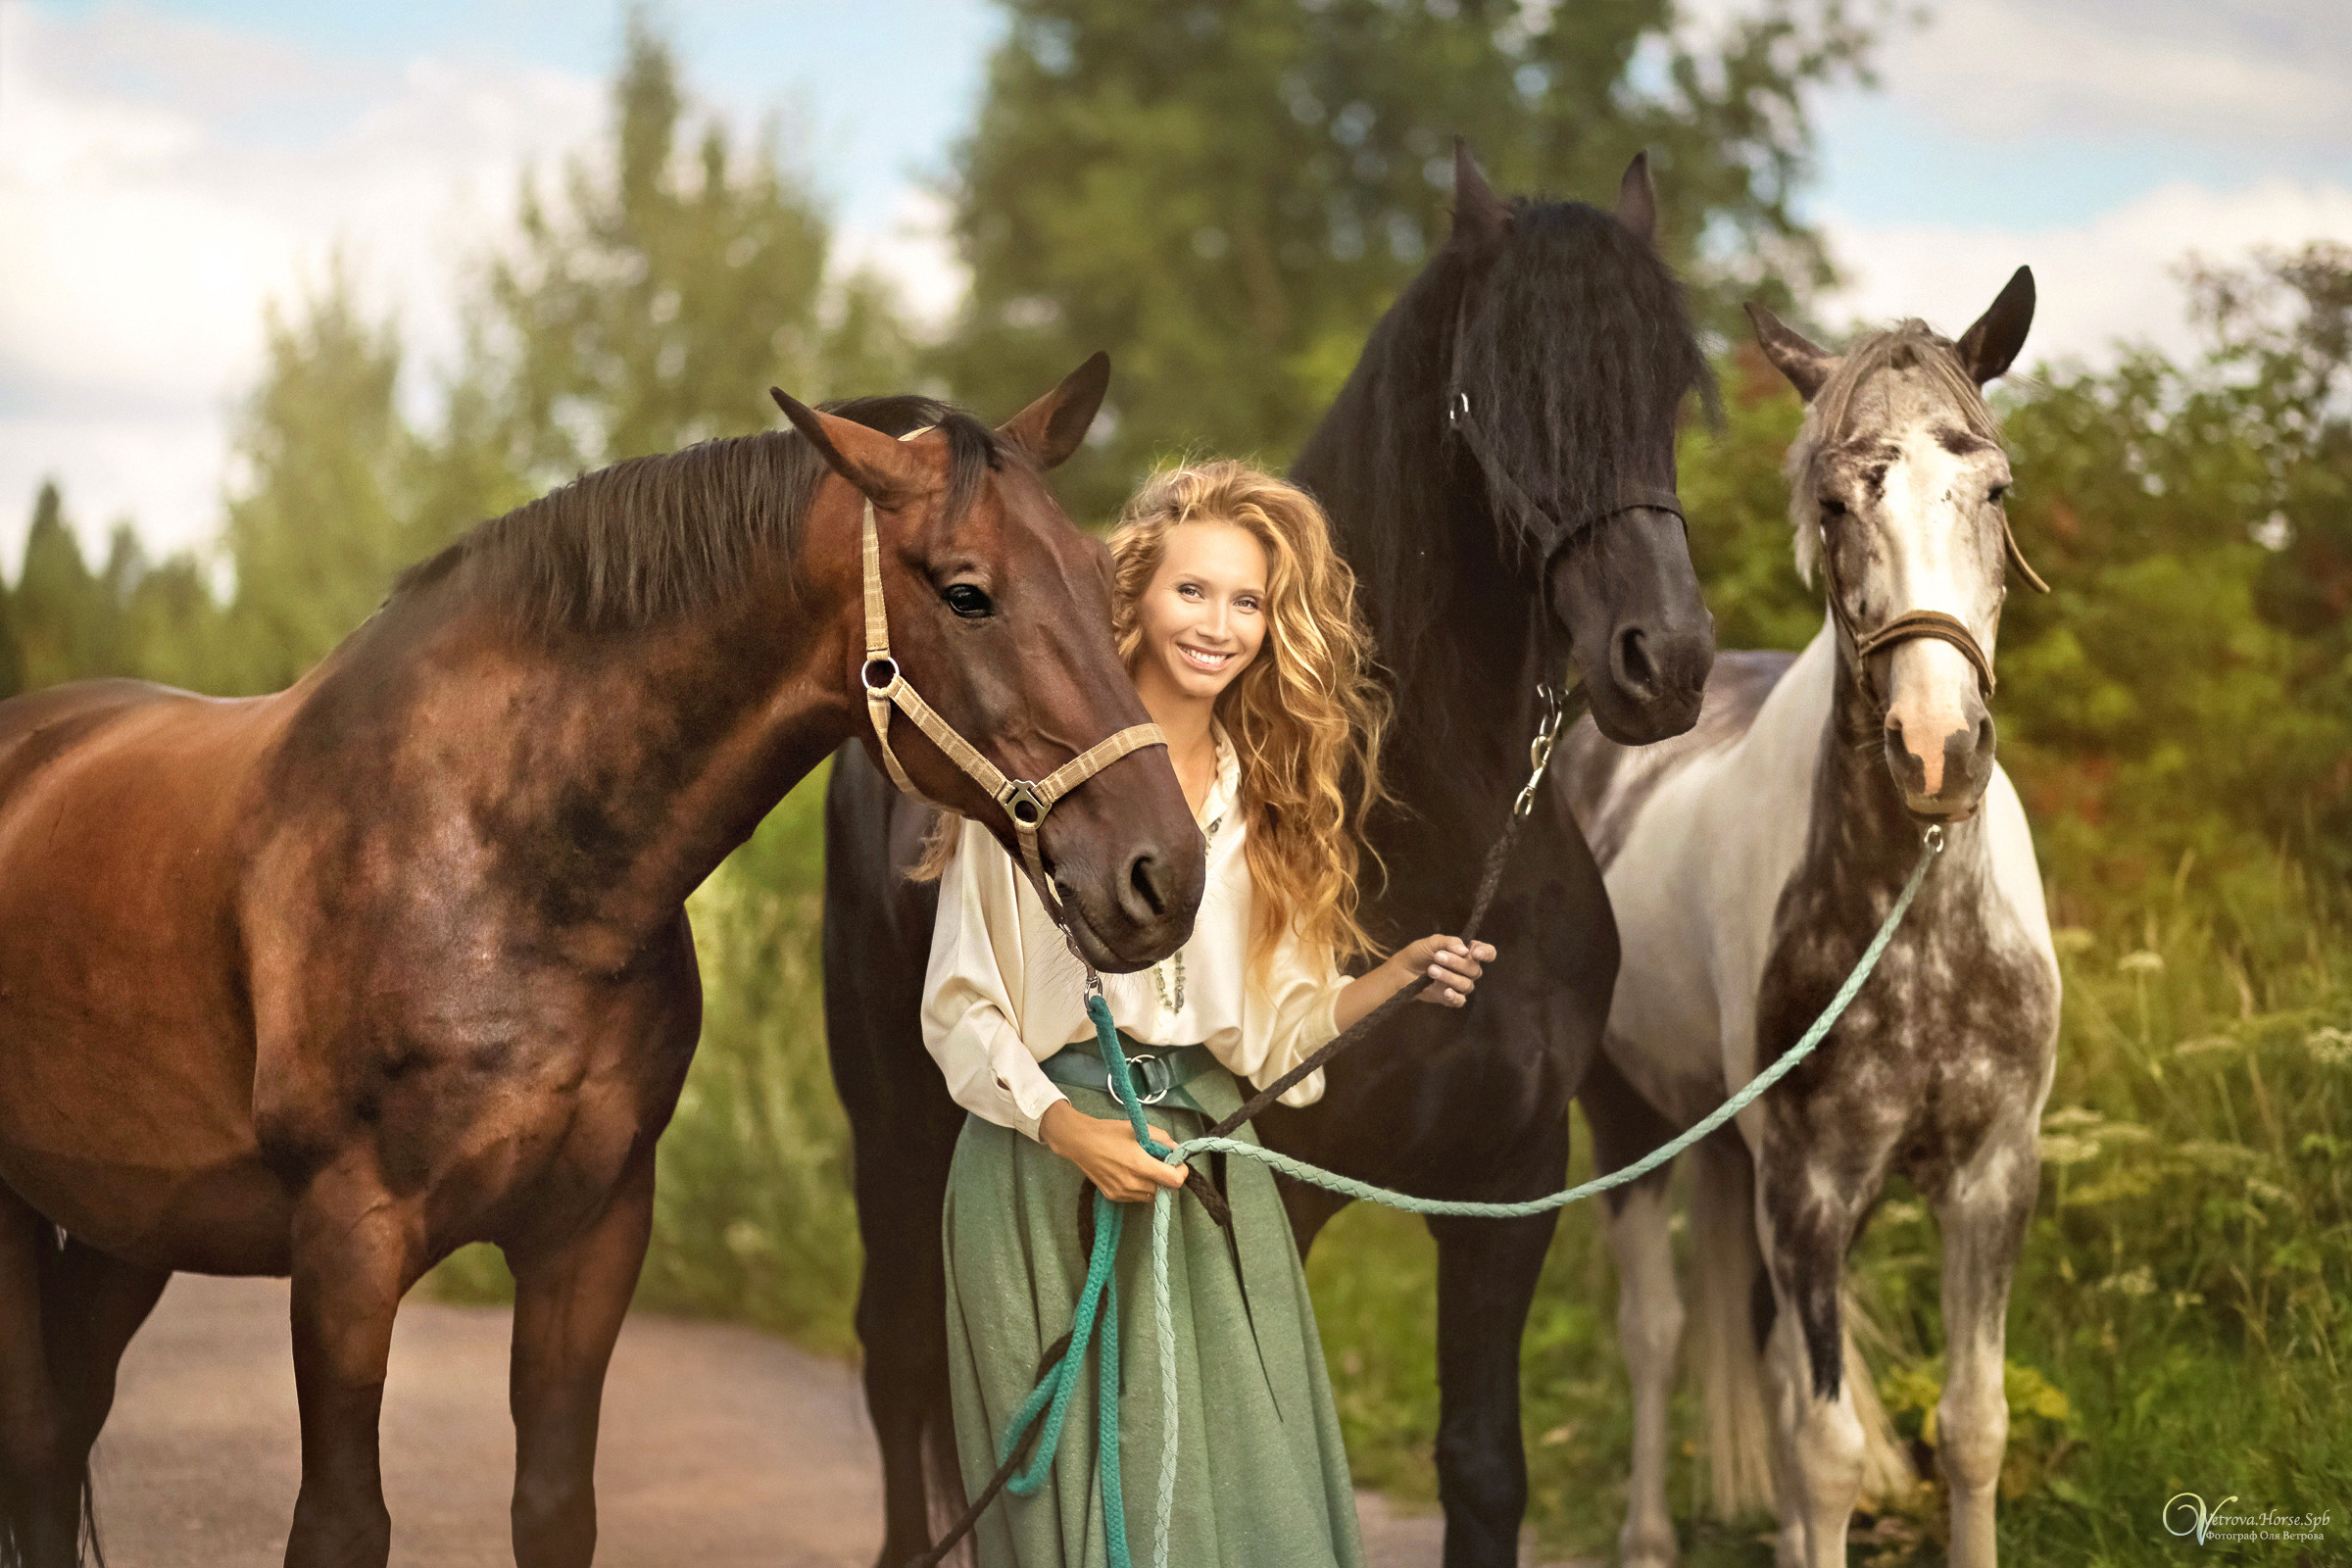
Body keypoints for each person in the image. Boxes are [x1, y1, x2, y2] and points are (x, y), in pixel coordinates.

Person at [920, 460, 1497, 1568]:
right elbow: (961, 1002)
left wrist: (1393, 979)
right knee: (1076, 1516)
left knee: (1244, 1507)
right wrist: (1068, 1128)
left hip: (1207, 1170)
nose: (1220, 625)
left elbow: (1272, 1037)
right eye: (1195, 590)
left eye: (1250, 603)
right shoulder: (1037, 769)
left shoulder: (1267, 800)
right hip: (1044, 1169)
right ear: (1134, 590)